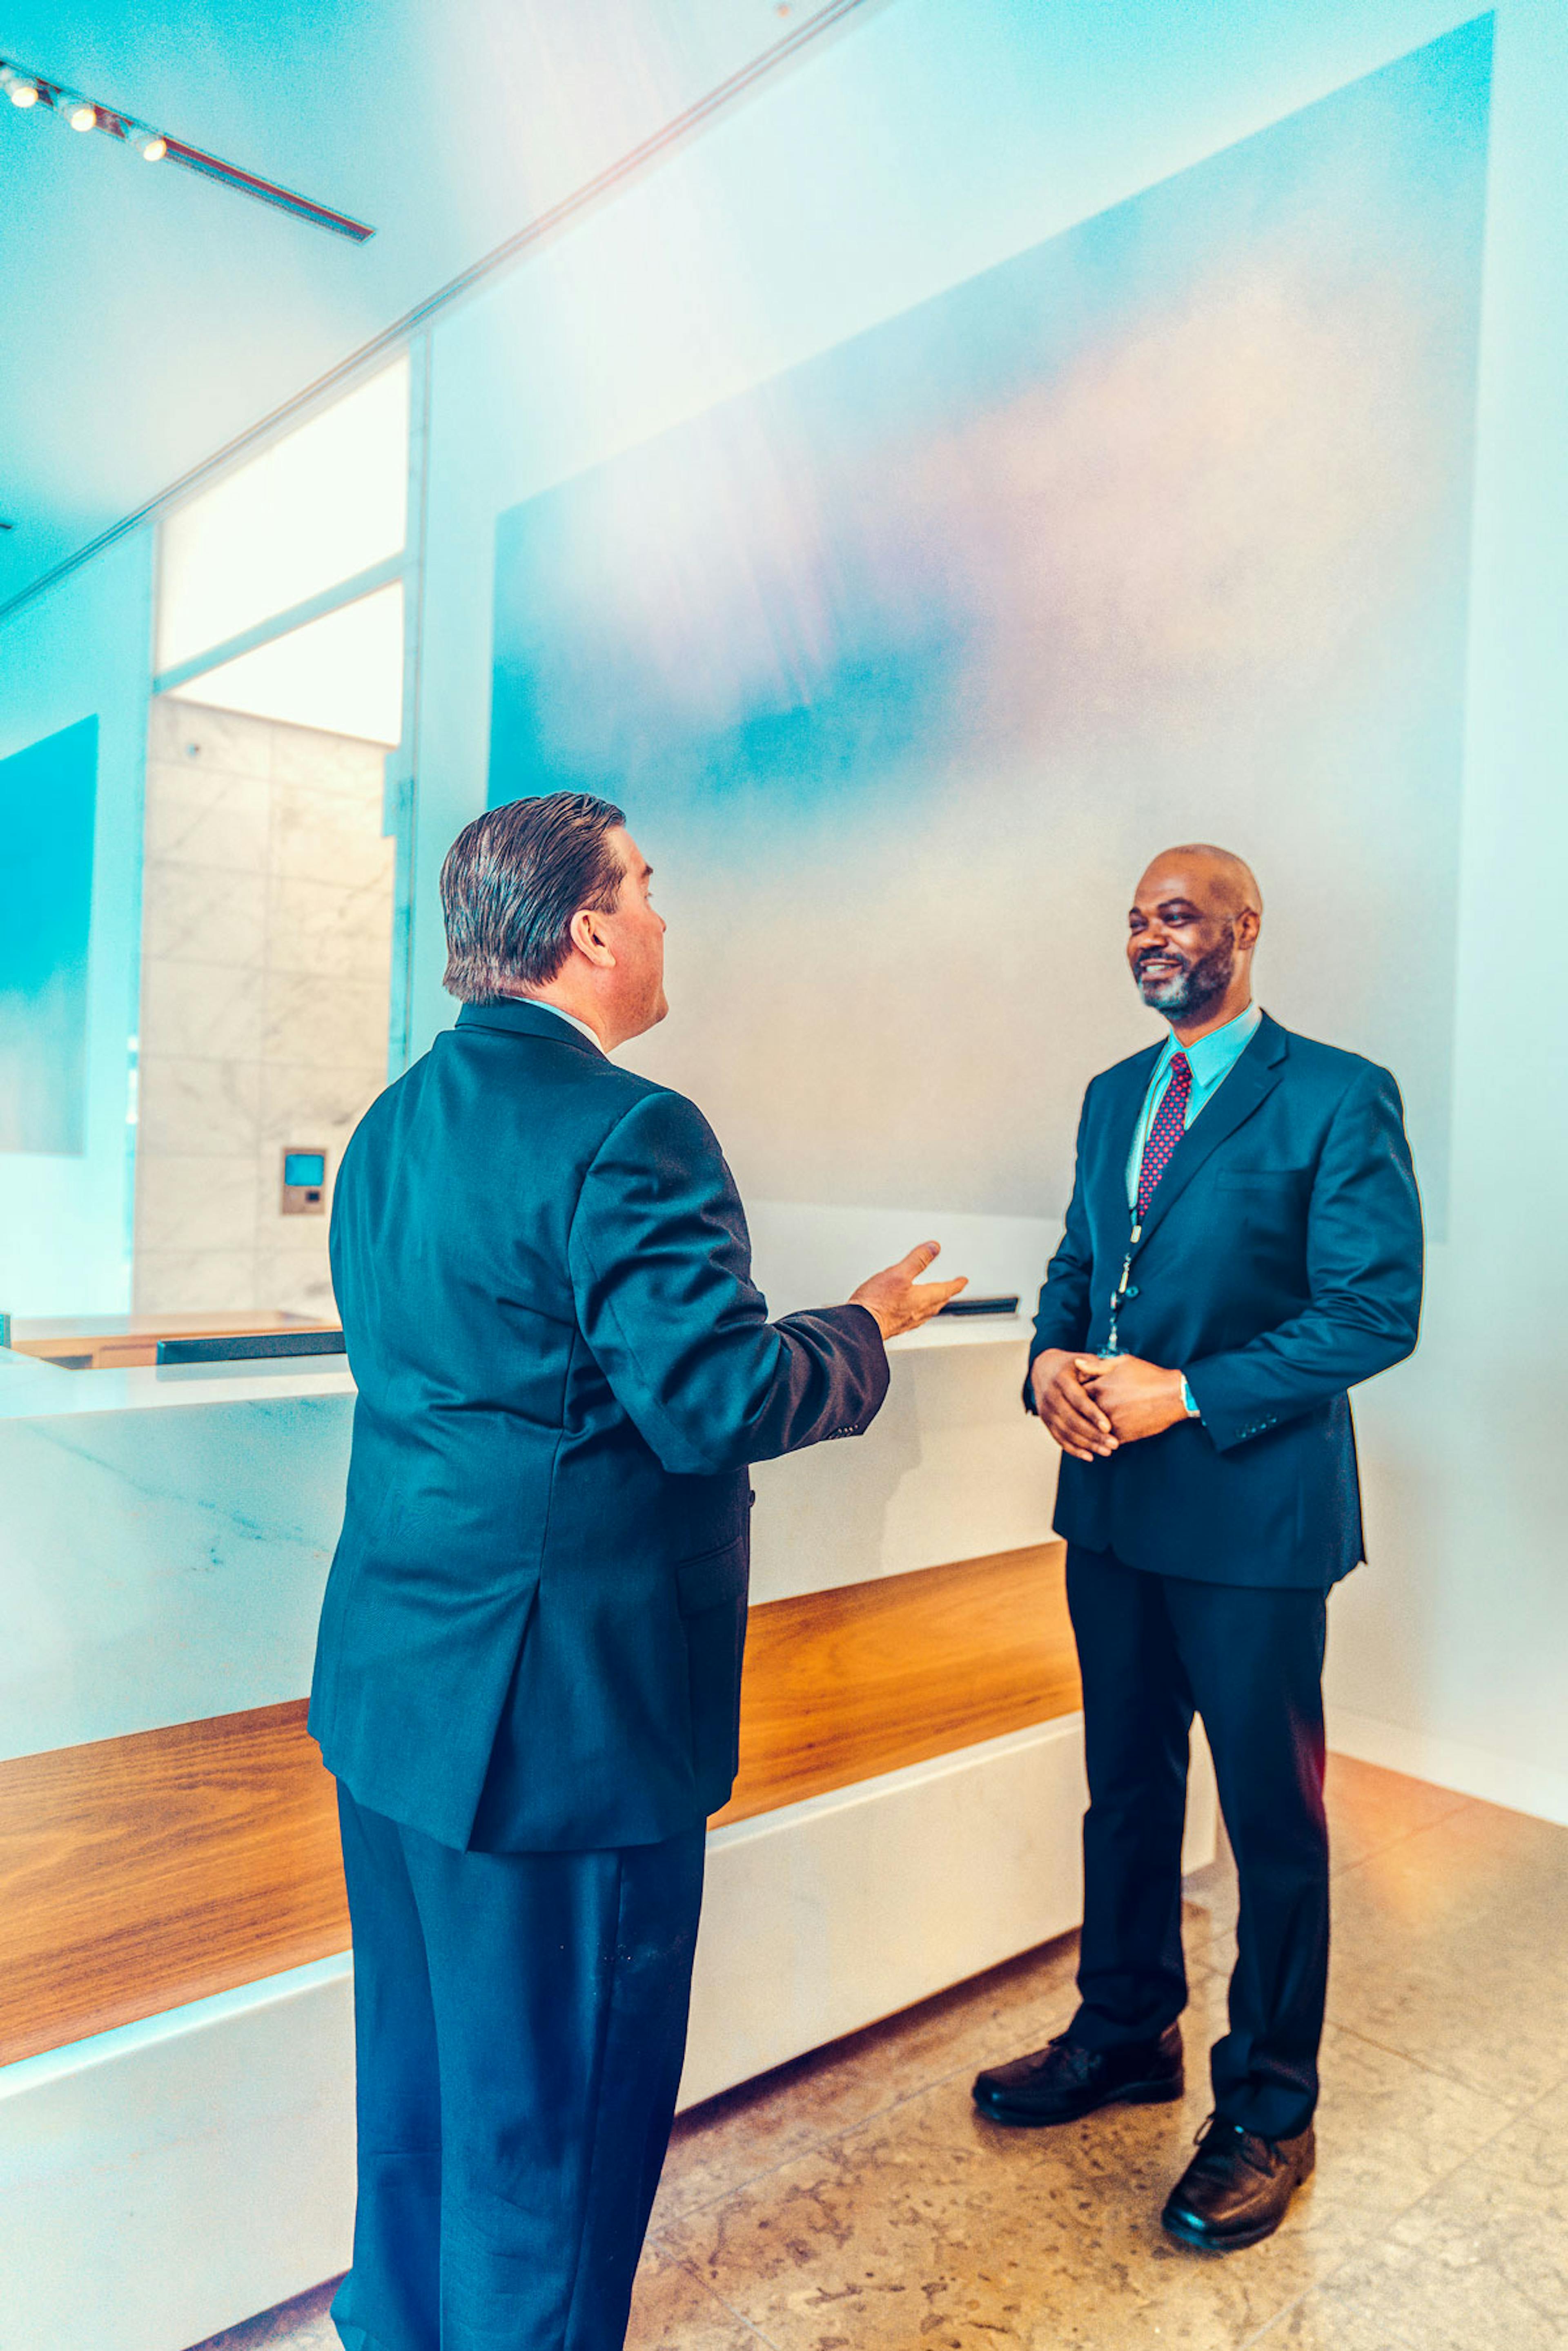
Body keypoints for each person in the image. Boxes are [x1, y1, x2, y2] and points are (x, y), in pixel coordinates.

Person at [310, 791, 965, 2350]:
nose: (665, 920)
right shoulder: (633, 1127)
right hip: (565, 1739)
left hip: (397, 1700)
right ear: (591, 928)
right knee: (560, 2125)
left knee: (418, 2091)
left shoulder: (391, 1121)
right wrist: (863, 1327)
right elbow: (713, 1402)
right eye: (649, 892)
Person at [971, 844, 1423, 2252]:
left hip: (1254, 1518)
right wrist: (1047, 1358)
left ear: (1245, 927)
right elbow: (1075, 1261)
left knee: (1271, 1822)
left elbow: (1375, 1313)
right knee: (1125, 1786)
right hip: (1112, 1510)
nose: (1151, 938)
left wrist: (1191, 1390)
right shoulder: (1117, 1095)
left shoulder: (1340, 1094)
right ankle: (1124, 2035)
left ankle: (1271, 2110)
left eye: (1178, 915)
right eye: (1134, 920)